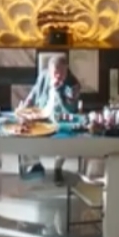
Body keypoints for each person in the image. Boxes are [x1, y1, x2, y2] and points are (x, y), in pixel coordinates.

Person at [19, 53, 83, 182]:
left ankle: (58, 167)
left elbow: (71, 109)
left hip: (62, 118)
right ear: (49, 70)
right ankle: (36, 164)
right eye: (55, 73)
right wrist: (24, 109)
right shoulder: (44, 75)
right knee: (25, 131)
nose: (57, 76)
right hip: (42, 113)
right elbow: (34, 93)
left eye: (61, 73)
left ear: (66, 70)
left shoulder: (73, 84)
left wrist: (58, 89)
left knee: (65, 139)